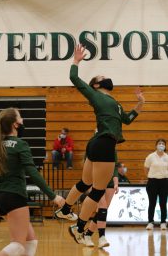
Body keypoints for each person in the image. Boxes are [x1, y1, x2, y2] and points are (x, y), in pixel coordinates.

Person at [55, 44, 145, 244]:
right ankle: (79, 229)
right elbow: (74, 79)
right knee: (96, 192)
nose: (105, 77)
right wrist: (76, 61)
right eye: (101, 77)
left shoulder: (116, 103)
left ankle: (65, 209)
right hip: (103, 144)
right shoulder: (95, 95)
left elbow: (128, 119)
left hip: (96, 144)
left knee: (84, 184)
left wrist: (140, 103)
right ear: (96, 85)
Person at [0, 107, 64, 256]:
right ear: (15, 124)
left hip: (0, 198)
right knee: (18, 245)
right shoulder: (20, 144)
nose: (23, 120)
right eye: (20, 118)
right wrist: (53, 196)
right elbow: (33, 173)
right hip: (15, 197)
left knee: (31, 241)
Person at [83, 151, 119, 248]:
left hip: (110, 183)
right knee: (102, 207)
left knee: (102, 211)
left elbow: (115, 168)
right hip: (97, 182)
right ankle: (102, 237)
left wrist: (116, 183)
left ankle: (87, 235)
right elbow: (87, 168)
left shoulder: (112, 149)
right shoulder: (92, 148)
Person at [144, 138, 168, 231]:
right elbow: (146, 168)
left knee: (163, 203)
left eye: (163, 143)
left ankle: (163, 222)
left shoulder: (167, 157)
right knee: (152, 203)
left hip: (165, 182)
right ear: (156, 145)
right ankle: (150, 222)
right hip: (153, 182)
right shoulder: (151, 156)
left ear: (165, 146)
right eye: (159, 143)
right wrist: (149, 177)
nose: (161, 145)